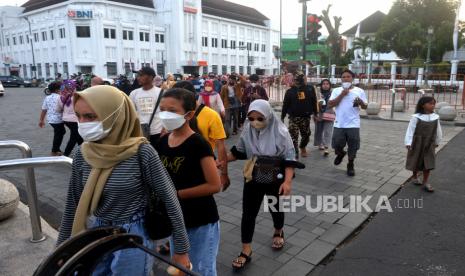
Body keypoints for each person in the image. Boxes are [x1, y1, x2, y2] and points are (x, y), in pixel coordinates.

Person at [56, 85, 191, 274]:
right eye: (79, 116)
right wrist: (62, 249)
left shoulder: (142, 153)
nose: (82, 123)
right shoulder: (82, 153)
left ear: (115, 115)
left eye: (90, 116)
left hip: (133, 234)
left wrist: (182, 249)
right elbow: (73, 203)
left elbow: (170, 199)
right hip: (98, 230)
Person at [155, 88, 222, 276]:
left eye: (172, 110)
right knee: (181, 268)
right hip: (176, 219)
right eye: (162, 109)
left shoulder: (198, 144)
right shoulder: (162, 142)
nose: (166, 114)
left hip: (200, 219)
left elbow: (214, 185)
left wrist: (176, 195)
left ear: (189, 114)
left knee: (202, 269)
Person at [228, 99, 300, 270]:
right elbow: (239, 151)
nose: (255, 122)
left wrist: (288, 182)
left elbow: (290, 159)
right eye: (251, 118)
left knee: (274, 207)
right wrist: (220, 162)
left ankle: (278, 230)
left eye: (260, 119)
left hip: (275, 175)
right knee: (248, 213)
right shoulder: (248, 129)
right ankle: (246, 250)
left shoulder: (281, 132)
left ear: (268, 116)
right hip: (253, 175)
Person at [328, 69, 367, 176]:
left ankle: (350, 164)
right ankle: (340, 154)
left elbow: (365, 106)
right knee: (336, 145)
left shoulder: (359, 91)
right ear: (341, 79)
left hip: (353, 124)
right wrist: (342, 95)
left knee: (353, 145)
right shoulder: (336, 90)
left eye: (348, 76)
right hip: (339, 123)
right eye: (343, 77)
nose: (345, 78)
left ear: (352, 79)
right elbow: (330, 105)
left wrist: (361, 102)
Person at [405, 96, 442, 192]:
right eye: (430, 103)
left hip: (430, 143)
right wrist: (408, 142)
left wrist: (437, 141)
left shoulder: (436, 117)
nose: (432, 105)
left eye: (434, 103)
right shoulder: (416, 117)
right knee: (416, 159)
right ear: (423, 105)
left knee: (428, 161)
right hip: (417, 142)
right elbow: (410, 130)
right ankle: (415, 176)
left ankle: (425, 182)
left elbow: (438, 130)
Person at [281, 73, 319, 158]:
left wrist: (316, 113)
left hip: (306, 117)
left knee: (306, 135)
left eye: (304, 79)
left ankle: (302, 147)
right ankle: (295, 153)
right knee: (293, 136)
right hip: (293, 118)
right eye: (297, 79)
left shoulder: (310, 88)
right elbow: (285, 104)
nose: (303, 81)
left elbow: (314, 101)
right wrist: (282, 116)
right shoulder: (290, 91)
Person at [129, 67, 164, 147]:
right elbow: (131, 112)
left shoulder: (161, 92)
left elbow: (166, 112)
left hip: (158, 131)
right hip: (140, 133)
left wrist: (165, 128)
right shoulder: (134, 93)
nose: (138, 78)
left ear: (151, 77)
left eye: (141, 75)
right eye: (138, 76)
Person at [56, 80, 83, 157]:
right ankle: (66, 154)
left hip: (66, 120)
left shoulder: (60, 97)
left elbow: (58, 110)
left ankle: (83, 150)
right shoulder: (77, 97)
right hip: (75, 120)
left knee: (78, 136)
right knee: (74, 137)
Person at [39, 81, 65, 156]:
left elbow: (44, 109)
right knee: (58, 134)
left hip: (51, 120)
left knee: (61, 132)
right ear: (57, 90)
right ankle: (54, 151)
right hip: (58, 119)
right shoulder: (60, 97)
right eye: (62, 88)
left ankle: (57, 149)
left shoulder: (47, 98)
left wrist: (41, 120)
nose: (63, 90)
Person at [314, 79, 335, 156]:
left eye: (327, 84)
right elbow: (314, 103)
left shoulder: (333, 93)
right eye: (323, 84)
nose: (325, 85)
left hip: (329, 113)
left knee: (328, 131)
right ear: (321, 85)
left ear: (330, 85)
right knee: (319, 130)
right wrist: (314, 114)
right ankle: (320, 144)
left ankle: (327, 147)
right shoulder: (318, 93)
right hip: (319, 114)